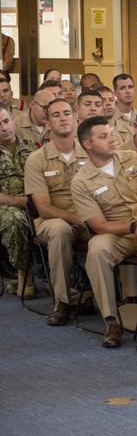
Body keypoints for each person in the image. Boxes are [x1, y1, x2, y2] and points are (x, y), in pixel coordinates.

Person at [71, 116, 137, 348]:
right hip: (117, 233)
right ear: (87, 145)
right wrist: (131, 227)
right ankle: (111, 320)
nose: (112, 139)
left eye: (111, 133)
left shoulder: (133, 158)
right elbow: (98, 226)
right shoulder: (81, 181)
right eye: (103, 136)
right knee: (96, 250)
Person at [23, 98, 91, 325]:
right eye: (56, 115)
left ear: (75, 118)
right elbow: (43, 208)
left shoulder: (90, 153)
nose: (63, 118)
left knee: (116, 231)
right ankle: (62, 301)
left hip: (87, 216)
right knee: (61, 230)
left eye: (67, 113)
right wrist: (77, 218)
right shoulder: (36, 159)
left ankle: (126, 299)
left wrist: (94, 220)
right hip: (52, 219)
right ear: (48, 123)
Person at [0, 103, 37, 298]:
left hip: (37, 205)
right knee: (14, 219)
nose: (4, 127)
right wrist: (18, 201)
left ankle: (60, 282)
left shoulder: (32, 149)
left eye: (6, 121)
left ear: (13, 120)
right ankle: (25, 273)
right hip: (5, 209)